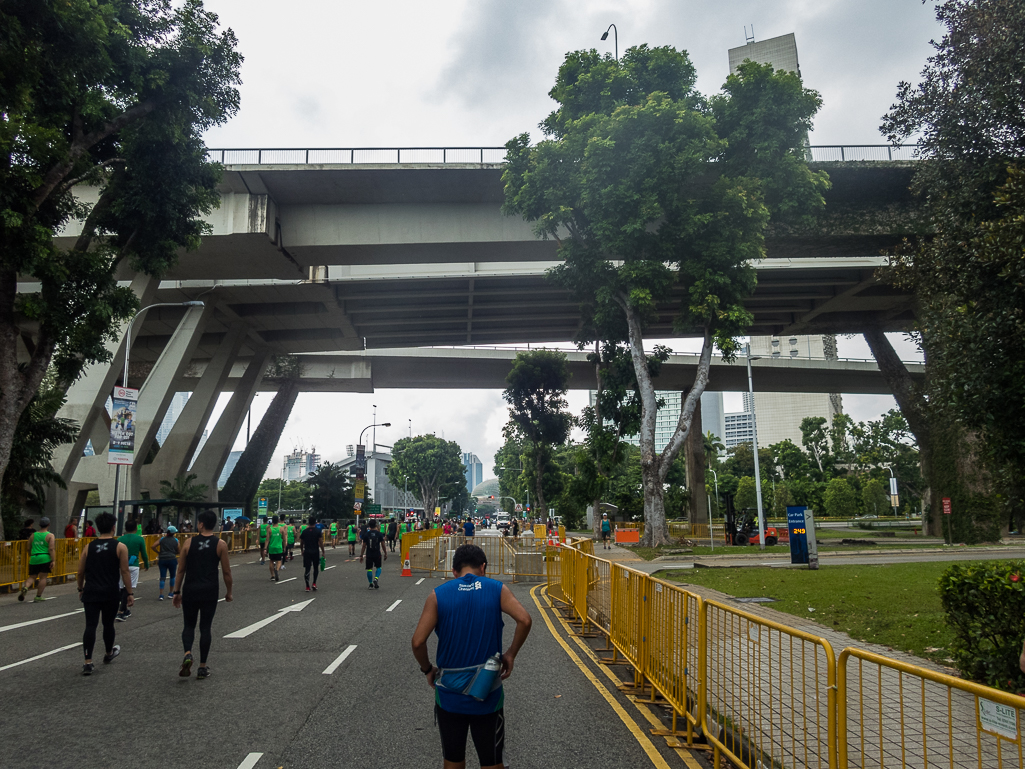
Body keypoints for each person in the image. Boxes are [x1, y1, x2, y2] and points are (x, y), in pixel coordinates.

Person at [411, 544, 533, 769]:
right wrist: (511, 654)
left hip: (449, 694)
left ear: (454, 571)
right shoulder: (497, 589)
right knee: (492, 760)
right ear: (483, 567)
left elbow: (418, 642)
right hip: (487, 692)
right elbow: (525, 620)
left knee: (453, 759)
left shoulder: (438, 595)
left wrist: (428, 669)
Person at [173, 510, 232, 679]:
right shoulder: (220, 544)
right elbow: (227, 572)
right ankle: (202, 667)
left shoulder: (188, 543)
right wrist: (229, 592)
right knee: (205, 627)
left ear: (200, 524)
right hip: (209, 591)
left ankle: (187, 653)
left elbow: (181, 570)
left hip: (190, 589)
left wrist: (177, 591)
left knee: (188, 625)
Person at [77, 513, 133, 675]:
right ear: (113, 527)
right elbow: (124, 571)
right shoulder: (120, 547)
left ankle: (88, 661)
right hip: (110, 592)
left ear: (98, 528)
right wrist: (129, 593)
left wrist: (80, 588)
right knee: (108, 624)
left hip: (91, 591)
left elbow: (80, 572)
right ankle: (108, 653)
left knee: (90, 625)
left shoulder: (89, 547)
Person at [116, 520, 150, 621]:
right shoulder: (139, 539)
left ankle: (125, 609)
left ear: (125, 528)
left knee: (122, 587)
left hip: (122, 565)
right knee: (128, 587)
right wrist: (146, 564)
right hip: (134, 564)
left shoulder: (120, 539)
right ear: (136, 528)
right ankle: (121, 611)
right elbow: (144, 553)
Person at [19, 517, 55, 602]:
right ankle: (38, 596)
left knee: (32, 576)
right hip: (45, 558)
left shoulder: (33, 535)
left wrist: (30, 555)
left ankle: (26, 587)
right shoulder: (50, 535)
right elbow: (51, 548)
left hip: (34, 558)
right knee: (43, 577)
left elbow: (28, 547)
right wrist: (53, 560)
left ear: (39, 525)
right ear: (49, 524)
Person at [359, 519, 387, 589]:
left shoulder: (366, 534)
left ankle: (371, 584)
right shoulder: (379, 534)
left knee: (369, 569)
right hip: (377, 553)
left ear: (369, 526)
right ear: (376, 525)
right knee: (379, 567)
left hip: (369, 553)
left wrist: (361, 555)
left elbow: (364, 546)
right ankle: (376, 578)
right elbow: (383, 545)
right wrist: (385, 553)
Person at [300, 516, 326, 592]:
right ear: (315, 522)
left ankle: (307, 586)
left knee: (307, 568)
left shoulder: (304, 532)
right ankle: (314, 583)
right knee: (315, 568)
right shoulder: (318, 531)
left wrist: (302, 550)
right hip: (315, 551)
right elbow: (320, 542)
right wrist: (323, 551)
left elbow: (301, 542)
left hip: (307, 551)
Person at [157, 526, 180, 600]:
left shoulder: (162, 539)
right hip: (172, 559)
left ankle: (161, 594)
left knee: (162, 577)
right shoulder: (176, 540)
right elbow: (179, 551)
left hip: (162, 559)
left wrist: (158, 552)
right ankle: (170, 593)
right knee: (172, 576)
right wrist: (175, 552)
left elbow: (153, 546)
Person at [267, 516, 285, 581]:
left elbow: (267, 540)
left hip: (271, 547)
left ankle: (272, 575)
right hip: (279, 547)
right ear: (278, 520)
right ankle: (277, 570)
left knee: (271, 561)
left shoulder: (269, 529)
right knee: (279, 561)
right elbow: (284, 539)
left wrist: (265, 548)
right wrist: (285, 546)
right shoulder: (281, 529)